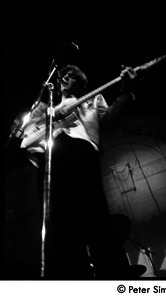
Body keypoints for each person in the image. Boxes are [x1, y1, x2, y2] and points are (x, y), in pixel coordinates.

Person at [5, 64, 146, 279]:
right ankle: (72, 277)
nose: (66, 77)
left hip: (81, 149)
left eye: (73, 76)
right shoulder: (44, 107)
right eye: (64, 74)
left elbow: (108, 122)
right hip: (50, 156)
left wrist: (127, 92)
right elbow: (25, 138)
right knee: (60, 220)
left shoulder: (92, 99)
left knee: (94, 212)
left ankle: (114, 274)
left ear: (80, 83)